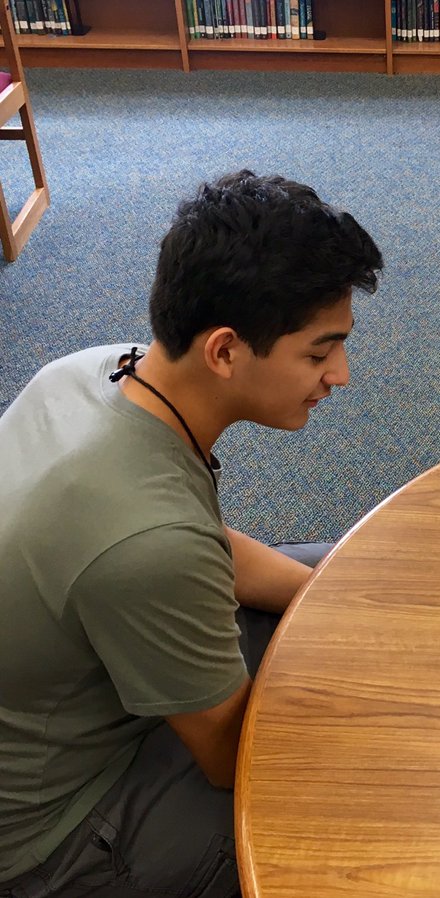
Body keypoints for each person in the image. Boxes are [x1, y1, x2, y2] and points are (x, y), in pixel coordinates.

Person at [0, 171, 383, 898]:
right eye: (318, 352)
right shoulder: (148, 541)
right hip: (56, 825)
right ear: (225, 351)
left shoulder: (96, 373)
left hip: (80, 674)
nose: (341, 375)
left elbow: (202, 542)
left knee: (354, 575)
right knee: (342, 807)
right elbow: (229, 755)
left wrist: (331, 596)